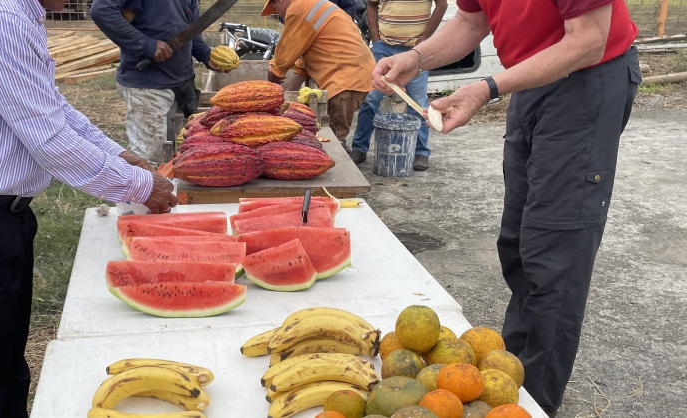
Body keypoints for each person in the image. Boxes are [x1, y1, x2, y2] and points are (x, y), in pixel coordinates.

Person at [371, 1, 639, 416]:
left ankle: (534, 405)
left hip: (586, 81)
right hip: (530, 81)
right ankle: (509, 381)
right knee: (518, 243)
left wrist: (488, 87)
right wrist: (416, 57)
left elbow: (587, 41)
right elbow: (471, 20)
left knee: (555, 250)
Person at [0, 0, 178, 416]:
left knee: (0, 359)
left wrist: (114, 153)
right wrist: (141, 185)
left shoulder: (11, 13)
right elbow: (49, 139)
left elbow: (51, 106)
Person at [90, 0, 225, 168]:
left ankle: (172, 192)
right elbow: (101, 10)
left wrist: (204, 54)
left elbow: (190, 27)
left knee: (179, 155)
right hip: (148, 86)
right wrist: (146, 45)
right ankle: (144, 192)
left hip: (181, 83)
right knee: (150, 161)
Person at [348, 0, 447, 170]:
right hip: (383, 48)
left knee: (417, 102)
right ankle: (359, 148)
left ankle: (421, 152)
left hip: (415, 51)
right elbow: (371, 5)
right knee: (370, 99)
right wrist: (376, 39)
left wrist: (424, 39)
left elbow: (442, 5)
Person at [263, 0, 376, 146]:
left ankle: (338, 163)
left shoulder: (298, 9)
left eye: (276, 10)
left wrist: (272, 80)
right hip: (357, 74)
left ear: (279, 1)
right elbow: (305, 62)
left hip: (345, 81)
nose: (279, 15)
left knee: (331, 139)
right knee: (329, 135)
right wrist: (289, 93)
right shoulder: (310, 6)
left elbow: (285, 52)